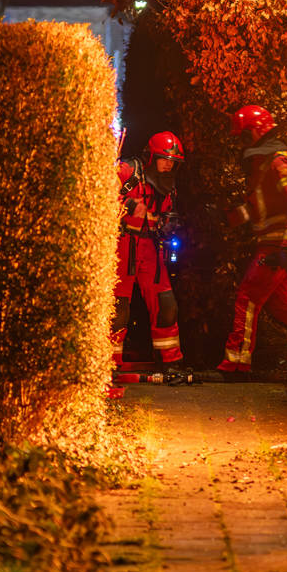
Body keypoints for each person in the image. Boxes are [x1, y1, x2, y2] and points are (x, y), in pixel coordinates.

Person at [219, 104, 287, 373]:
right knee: (279, 305)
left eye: (244, 136)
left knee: (247, 297)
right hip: (277, 246)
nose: (242, 143)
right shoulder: (264, 162)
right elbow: (260, 207)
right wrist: (229, 217)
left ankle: (236, 363)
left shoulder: (278, 161)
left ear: (256, 132)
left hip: (276, 248)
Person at [111, 130, 191, 384]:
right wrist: (129, 205)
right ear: (151, 157)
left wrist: (169, 224)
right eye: (164, 159)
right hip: (123, 245)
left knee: (166, 305)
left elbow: (164, 214)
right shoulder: (128, 171)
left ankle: (171, 362)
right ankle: (108, 364)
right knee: (117, 308)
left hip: (150, 248)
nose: (169, 165)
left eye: (173, 162)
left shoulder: (167, 186)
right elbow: (100, 194)